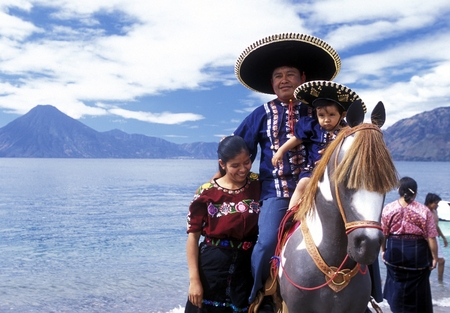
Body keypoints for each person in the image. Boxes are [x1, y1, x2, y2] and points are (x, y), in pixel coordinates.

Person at [233, 33, 341, 307]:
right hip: (277, 193)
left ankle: (367, 295)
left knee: (355, 237)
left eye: (290, 74)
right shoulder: (261, 114)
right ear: (271, 83)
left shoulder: (320, 111)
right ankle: (256, 295)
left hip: (322, 191)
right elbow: (240, 151)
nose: (284, 80)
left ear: (303, 78)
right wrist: (229, 179)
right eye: (278, 75)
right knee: (267, 242)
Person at [185, 135, 261, 313]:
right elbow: (192, 238)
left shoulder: (259, 183)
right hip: (211, 269)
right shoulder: (206, 193)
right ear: (222, 164)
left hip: (247, 269)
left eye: (247, 162)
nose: (243, 169)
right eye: (235, 165)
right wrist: (194, 281)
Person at [272, 80, 366, 210]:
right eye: (321, 115)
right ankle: (291, 215)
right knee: (302, 185)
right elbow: (297, 139)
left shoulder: (346, 133)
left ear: (342, 115)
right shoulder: (313, 127)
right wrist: (281, 151)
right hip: (313, 170)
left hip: (338, 172)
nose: (326, 119)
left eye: (332, 115)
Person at [381, 176, 439, 313]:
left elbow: (383, 234)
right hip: (417, 258)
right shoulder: (423, 211)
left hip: (395, 256)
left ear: (398, 190)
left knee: (397, 288)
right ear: (416, 192)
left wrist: (383, 251)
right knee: (418, 292)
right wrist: (435, 257)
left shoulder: (388, 209)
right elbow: (431, 237)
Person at [425, 193, 448, 282]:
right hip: (428, 238)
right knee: (429, 261)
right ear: (429, 202)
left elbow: (436, 226)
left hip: (435, 237)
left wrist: (443, 238)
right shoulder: (425, 211)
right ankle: (427, 279)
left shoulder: (435, 211)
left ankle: (440, 280)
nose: (437, 205)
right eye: (436, 203)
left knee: (441, 261)